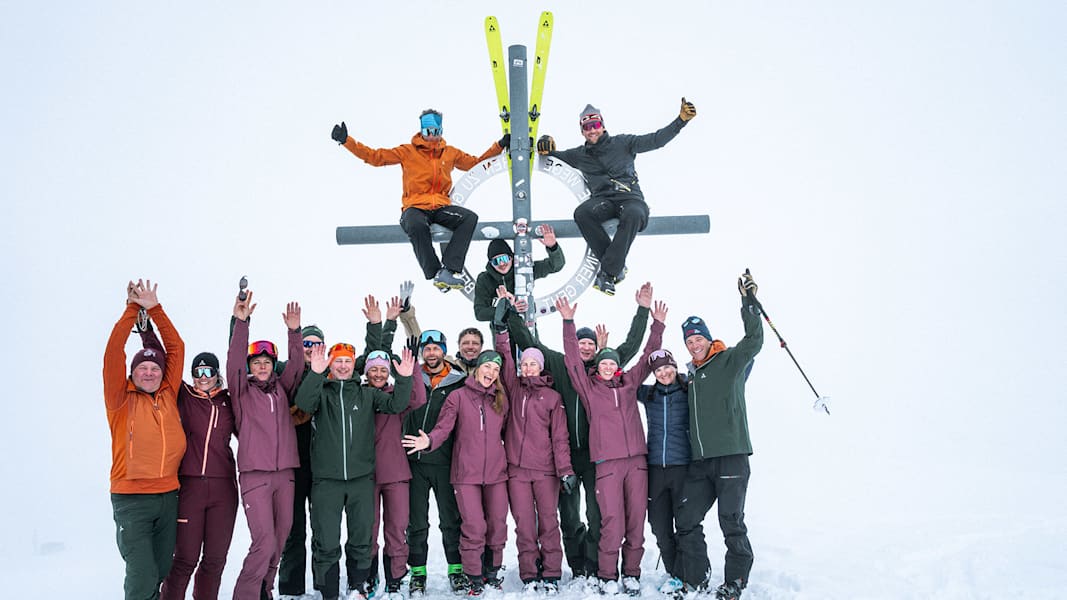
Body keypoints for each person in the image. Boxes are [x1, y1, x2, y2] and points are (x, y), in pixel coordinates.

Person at [503, 283, 654, 582]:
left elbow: (632, 345)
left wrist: (642, 310)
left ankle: (594, 562)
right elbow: (528, 341)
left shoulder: (605, 369)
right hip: (564, 458)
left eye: (590, 345)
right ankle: (577, 564)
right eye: (581, 343)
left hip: (599, 457)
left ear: (597, 349)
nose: (585, 348)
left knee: (598, 516)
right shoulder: (560, 365)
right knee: (569, 516)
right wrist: (510, 313)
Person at [556, 294, 667, 596]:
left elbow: (647, 356)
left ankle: (631, 573)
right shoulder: (589, 389)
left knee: (636, 522)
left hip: (637, 463)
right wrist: (568, 322)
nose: (606, 366)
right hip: (606, 465)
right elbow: (572, 360)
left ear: (617, 367)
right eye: (602, 362)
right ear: (597, 366)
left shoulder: (630, 384)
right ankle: (606, 574)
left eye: (611, 363)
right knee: (611, 523)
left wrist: (657, 326)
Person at [294, 334, 416, 600]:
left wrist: (405, 378)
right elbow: (303, 404)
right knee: (326, 540)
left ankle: (358, 585)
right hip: (327, 481)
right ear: (330, 364)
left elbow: (396, 404)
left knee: (361, 538)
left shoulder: (367, 394)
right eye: (337, 361)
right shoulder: (322, 393)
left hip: (361, 480)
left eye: (347, 361)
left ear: (353, 365)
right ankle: (328, 592)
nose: (342, 366)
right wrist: (315, 373)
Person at [331, 110, 509, 291]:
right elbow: (375, 157)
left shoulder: (450, 153)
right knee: (415, 224)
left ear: (441, 131)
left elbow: (476, 165)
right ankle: (435, 272)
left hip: (440, 207)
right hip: (415, 206)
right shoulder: (407, 152)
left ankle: (448, 270)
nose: (431, 136)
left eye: (435, 131)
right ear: (422, 131)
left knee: (469, 218)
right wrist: (346, 141)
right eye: (427, 132)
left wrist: (499, 146)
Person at [536, 99, 697, 295]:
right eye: (587, 127)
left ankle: (609, 272)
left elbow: (656, 140)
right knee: (582, 213)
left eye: (595, 125)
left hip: (630, 199)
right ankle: (615, 267)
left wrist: (681, 120)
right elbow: (550, 156)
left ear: (603, 126)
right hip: (604, 202)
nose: (592, 130)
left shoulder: (623, 143)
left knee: (634, 214)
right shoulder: (579, 155)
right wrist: (545, 143)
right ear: (582, 131)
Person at [673, 272, 763, 600]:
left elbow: (754, 341)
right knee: (686, 517)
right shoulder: (691, 378)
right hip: (701, 463)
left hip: (731, 457)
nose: (694, 344)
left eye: (698, 338)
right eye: (689, 341)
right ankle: (697, 578)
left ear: (708, 339)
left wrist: (748, 303)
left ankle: (735, 580)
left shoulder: (729, 361)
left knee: (730, 521)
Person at [402, 350, 510, 597]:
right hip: (466, 474)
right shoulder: (458, 396)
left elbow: (506, 433)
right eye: (487, 367)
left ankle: (492, 572)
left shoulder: (501, 399)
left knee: (497, 525)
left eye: (496, 370)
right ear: (477, 368)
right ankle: (473, 576)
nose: (491, 373)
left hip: (496, 473)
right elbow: (444, 427)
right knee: (473, 526)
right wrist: (429, 441)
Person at [103, 280, 186, 600]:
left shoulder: (168, 393)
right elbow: (114, 352)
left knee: (161, 570)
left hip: (168, 496)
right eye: (142, 368)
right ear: (132, 372)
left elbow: (176, 347)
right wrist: (131, 310)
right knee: (141, 574)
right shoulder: (120, 399)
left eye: (154, 368)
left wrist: (155, 310)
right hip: (131, 499)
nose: (149, 372)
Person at [227, 290, 305, 600]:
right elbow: (234, 361)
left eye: (267, 362)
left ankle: (265, 590)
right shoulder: (241, 392)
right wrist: (241, 323)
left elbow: (297, 366)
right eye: (257, 363)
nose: (262, 367)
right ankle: (245, 595)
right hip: (255, 475)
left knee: (281, 538)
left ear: (273, 365)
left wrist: (294, 332)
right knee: (264, 541)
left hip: (285, 474)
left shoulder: (281, 391)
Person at [492, 309, 574, 593]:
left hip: (545, 472)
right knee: (524, 525)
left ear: (540, 368)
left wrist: (565, 471)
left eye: (533, 364)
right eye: (524, 364)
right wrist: (501, 332)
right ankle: (529, 574)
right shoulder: (514, 389)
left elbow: (560, 438)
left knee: (549, 522)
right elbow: (504, 358)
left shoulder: (552, 397)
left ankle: (551, 573)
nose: (528, 368)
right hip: (517, 471)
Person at [361, 296, 428, 600]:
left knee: (396, 530)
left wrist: (410, 371)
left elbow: (418, 399)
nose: (378, 374)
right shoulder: (359, 395)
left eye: (382, 370)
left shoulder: (395, 395)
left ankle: (395, 578)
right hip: (365, 475)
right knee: (368, 530)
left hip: (396, 474)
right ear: (367, 372)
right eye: (373, 369)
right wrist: (381, 325)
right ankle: (369, 577)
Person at [157, 350, 238, 600]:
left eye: (208, 371)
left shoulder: (229, 401)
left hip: (224, 489)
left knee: (215, 559)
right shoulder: (184, 396)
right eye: (198, 372)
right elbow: (166, 363)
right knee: (185, 558)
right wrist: (147, 333)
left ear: (217, 373)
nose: (203, 377)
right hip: (190, 487)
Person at [402, 329, 469, 595]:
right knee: (416, 522)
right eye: (427, 349)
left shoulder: (458, 382)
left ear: (444, 350)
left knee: (450, 520)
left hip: (445, 461)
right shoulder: (411, 377)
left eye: (436, 348)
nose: (431, 353)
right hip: (414, 463)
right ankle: (418, 573)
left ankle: (456, 569)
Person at [635, 349, 690, 597]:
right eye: (658, 370)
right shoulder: (648, 394)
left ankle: (684, 573)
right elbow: (623, 380)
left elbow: (729, 378)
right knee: (659, 525)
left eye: (667, 367)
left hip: (683, 467)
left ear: (675, 367)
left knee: (685, 524)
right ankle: (674, 571)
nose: (664, 373)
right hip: (655, 468)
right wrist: (604, 352)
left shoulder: (689, 389)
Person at [278, 324, 325, 600]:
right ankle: (291, 588)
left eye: (317, 344)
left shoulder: (331, 372)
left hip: (322, 466)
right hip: (292, 465)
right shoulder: (284, 371)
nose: (311, 349)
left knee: (322, 529)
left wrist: (380, 326)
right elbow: (245, 366)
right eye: (306, 343)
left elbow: (368, 359)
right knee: (293, 529)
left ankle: (324, 584)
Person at [472, 223, 565, 322]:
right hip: (501, 327)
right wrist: (508, 310)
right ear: (491, 264)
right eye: (496, 261)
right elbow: (480, 313)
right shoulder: (485, 279)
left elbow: (555, 265)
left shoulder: (525, 268)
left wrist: (553, 247)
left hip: (526, 323)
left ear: (511, 257)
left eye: (504, 258)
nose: (501, 264)